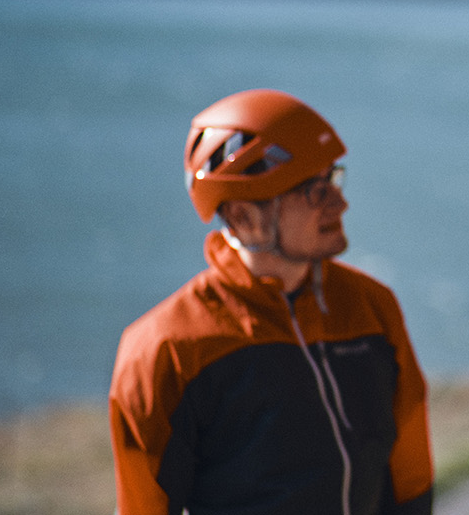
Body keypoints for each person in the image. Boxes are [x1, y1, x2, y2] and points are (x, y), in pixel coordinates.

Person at [108, 88, 435, 515]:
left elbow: (411, 483)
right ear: (243, 217)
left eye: (334, 179)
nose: (341, 203)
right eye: (314, 191)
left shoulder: (372, 307)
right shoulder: (163, 351)